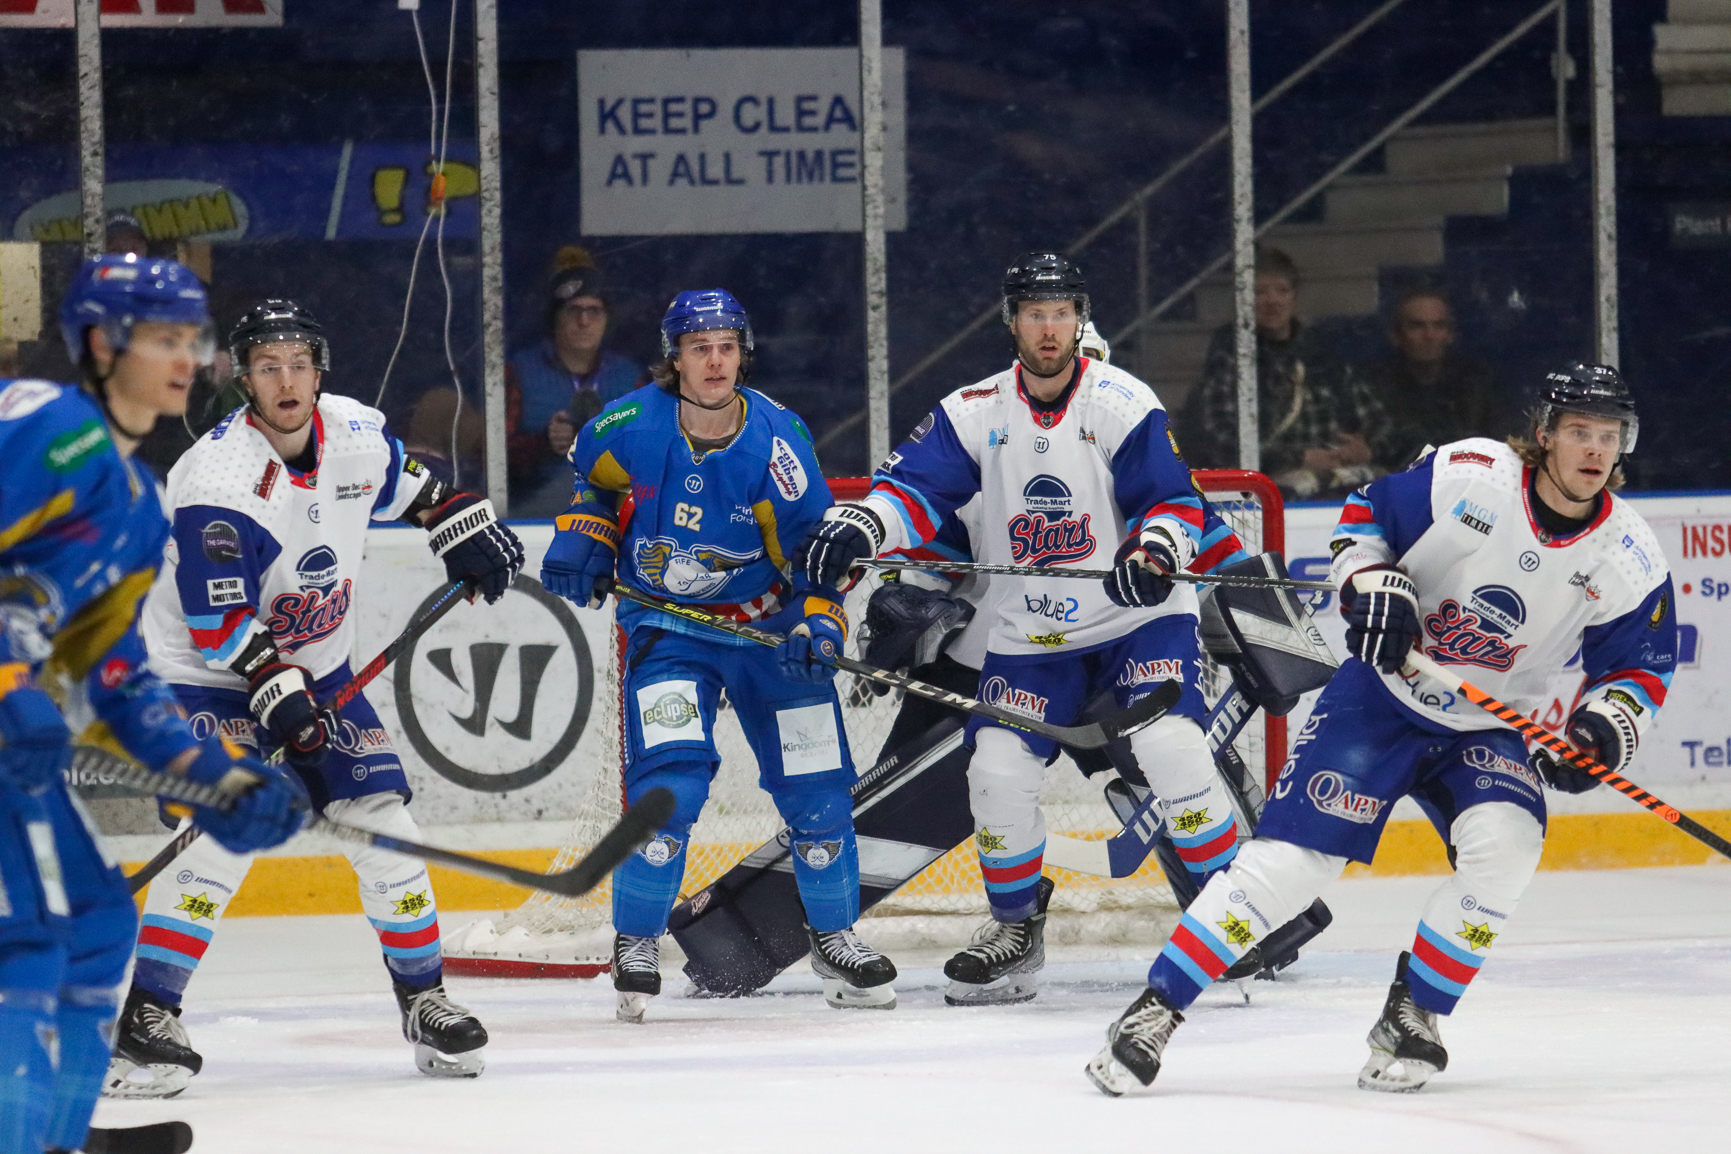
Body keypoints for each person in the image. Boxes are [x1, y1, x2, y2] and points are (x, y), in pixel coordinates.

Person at [1084, 362, 1675, 1096]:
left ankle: (1414, 1015)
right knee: (1291, 868)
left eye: (1608, 436)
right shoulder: (1471, 476)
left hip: (1486, 725)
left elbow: (1639, 671)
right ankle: (1156, 1009)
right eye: (1579, 432)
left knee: (1508, 848)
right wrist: (1373, 582)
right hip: (1383, 699)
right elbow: (1363, 518)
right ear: (1544, 436)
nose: (1594, 450)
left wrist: (1601, 729)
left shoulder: (1627, 554)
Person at [795, 252, 1248, 1006]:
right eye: (1035, 313)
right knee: (996, 771)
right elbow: (912, 489)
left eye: (1062, 312)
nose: (1049, 327)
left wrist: (1155, 548)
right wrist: (863, 524)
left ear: (1081, 319)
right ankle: (1015, 931)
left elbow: (1172, 501)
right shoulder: (974, 411)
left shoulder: (1120, 400)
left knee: (1171, 749)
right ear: (1012, 322)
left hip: (1138, 623)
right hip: (1034, 637)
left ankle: (1232, 915)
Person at [115, 300, 525, 1095]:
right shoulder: (218, 477)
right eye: (267, 365)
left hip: (316, 669)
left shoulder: (352, 432)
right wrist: (277, 693)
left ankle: (424, 1000)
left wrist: (453, 518)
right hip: (203, 674)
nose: (286, 379)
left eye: (298, 362)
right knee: (225, 831)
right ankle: (146, 1016)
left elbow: (406, 480)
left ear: (319, 370)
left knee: (387, 826)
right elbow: (218, 616)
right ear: (243, 379)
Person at [0, 254, 306, 1154]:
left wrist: (215, 776)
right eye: (163, 338)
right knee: (28, 941)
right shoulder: (52, 430)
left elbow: (113, 675)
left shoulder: (137, 504)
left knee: (96, 926)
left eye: (193, 340)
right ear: (101, 344)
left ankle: (50, 1133)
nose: (186, 359)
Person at [540, 289, 899, 1022]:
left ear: (743, 353)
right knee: (667, 793)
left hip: (765, 630)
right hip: (671, 632)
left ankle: (834, 936)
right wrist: (586, 532)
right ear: (674, 359)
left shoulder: (778, 443)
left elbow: (816, 558)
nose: (714, 359)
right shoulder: (627, 424)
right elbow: (596, 485)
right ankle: (634, 941)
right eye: (699, 346)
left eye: (726, 346)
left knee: (819, 796)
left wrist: (818, 625)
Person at [1183, 247, 1390, 500]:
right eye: (1260, 292)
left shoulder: (1324, 358)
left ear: (1295, 298)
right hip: (1266, 496)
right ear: (1243, 300)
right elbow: (1221, 442)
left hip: (1339, 488)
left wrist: (1366, 450)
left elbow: (1381, 423)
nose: (1273, 301)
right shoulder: (1231, 360)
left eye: (1282, 290)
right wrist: (1298, 458)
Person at [507, 248, 647, 515]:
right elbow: (488, 459)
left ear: (607, 319)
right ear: (555, 317)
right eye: (574, 310)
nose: (584, 321)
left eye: (594, 311)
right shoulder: (518, 372)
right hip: (536, 514)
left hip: (616, 510)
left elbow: (655, 454)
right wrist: (544, 445)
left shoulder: (631, 377)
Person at [1362, 287, 1507, 470]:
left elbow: (1500, 446)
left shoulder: (1478, 384)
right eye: (1416, 326)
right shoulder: (1372, 386)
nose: (1429, 336)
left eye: (1439, 326)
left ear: (1450, 335)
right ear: (1395, 335)